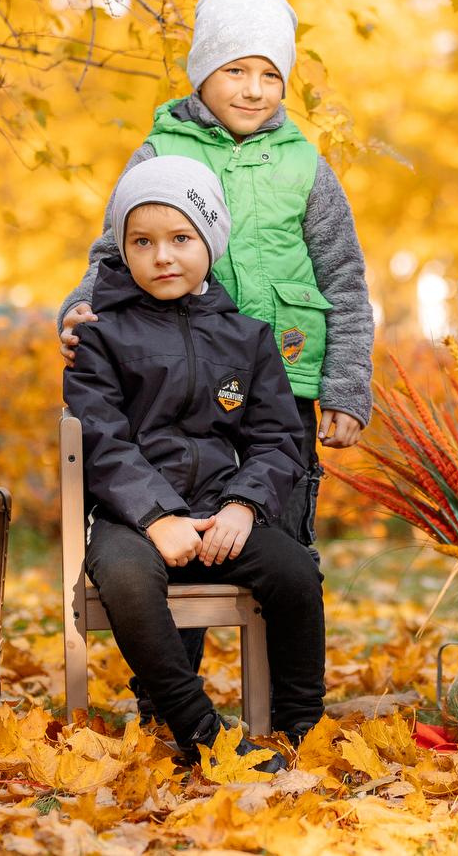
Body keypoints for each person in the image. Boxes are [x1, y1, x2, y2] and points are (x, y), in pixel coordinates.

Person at [58, 0, 375, 707]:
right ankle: (178, 696)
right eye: (237, 69)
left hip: (285, 380)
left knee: (275, 539)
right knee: (178, 534)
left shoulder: (306, 164)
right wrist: (79, 308)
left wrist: (346, 381)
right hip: (163, 368)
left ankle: (279, 701)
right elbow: (112, 250)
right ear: (202, 69)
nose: (255, 88)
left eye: (270, 74)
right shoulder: (160, 150)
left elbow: (345, 276)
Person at [66, 156, 321, 768]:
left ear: (210, 241)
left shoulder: (248, 338)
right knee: (126, 579)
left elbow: (280, 437)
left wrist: (243, 506)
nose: (162, 256)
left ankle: (301, 725)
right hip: (133, 520)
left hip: (220, 511)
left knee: (294, 570)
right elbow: (100, 439)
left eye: (181, 238)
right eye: (142, 241)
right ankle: (197, 728)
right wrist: (155, 518)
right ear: (122, 249)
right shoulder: (100, 335)